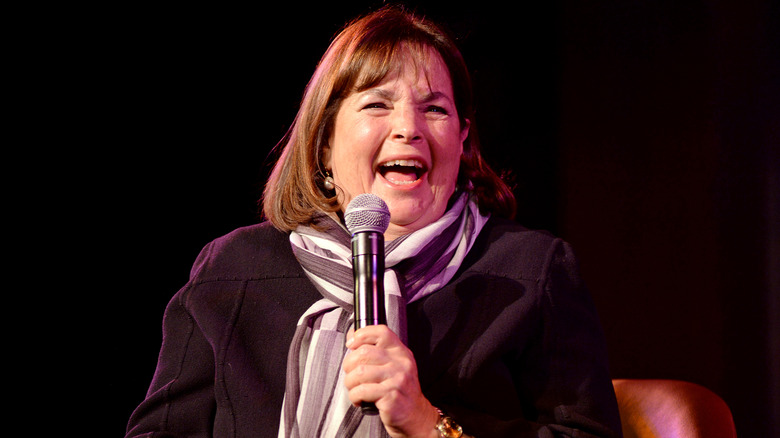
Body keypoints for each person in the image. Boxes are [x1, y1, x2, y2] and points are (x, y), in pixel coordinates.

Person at [126, 6, 622, 438]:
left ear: (462, 140)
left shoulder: (533, 270)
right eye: (377, 104)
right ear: (324, 141)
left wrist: (425, 422)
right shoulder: (234, 269)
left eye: (435, 109)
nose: (409, 128)